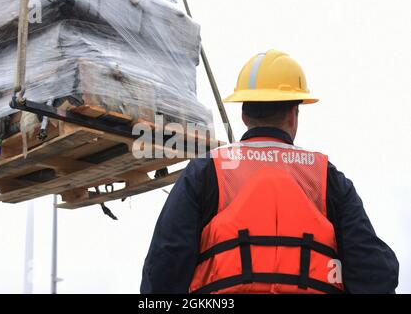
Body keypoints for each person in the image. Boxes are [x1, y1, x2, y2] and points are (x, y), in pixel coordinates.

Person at [141, 49, 399, 294]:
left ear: (244, 115)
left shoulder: (207, 171)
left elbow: (165, 265)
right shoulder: (327, 178)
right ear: (293, 114)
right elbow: (374, 273)